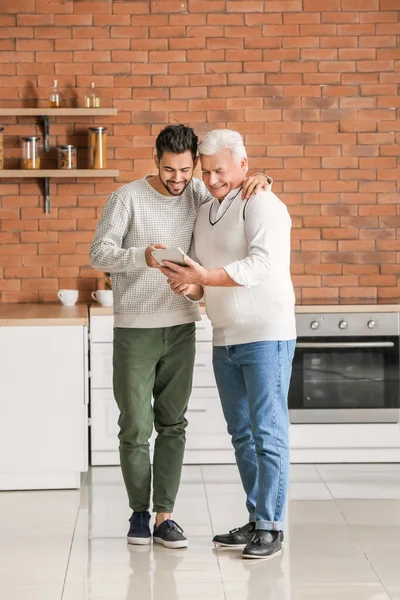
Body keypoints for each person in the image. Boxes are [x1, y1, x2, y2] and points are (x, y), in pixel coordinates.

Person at [88, 124, 271, 550]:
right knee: (135, 426)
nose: (178, 179)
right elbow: (99, 251)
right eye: (170, 170)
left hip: (182, 325)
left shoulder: (197, 194)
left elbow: (231, 195)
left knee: (173, 424)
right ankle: (138, 513)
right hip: (136, 328)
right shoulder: (127, 197)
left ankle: (165, 516)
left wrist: (264, 179)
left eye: (186, 170)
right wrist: (142, 256)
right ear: (156, 160)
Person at [160, 129, 296, 560]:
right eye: (208, 171)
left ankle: (272, 527)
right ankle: (257, 519)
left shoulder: (263, 203)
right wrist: (190, 285)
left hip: (266, 335)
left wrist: (202, 277)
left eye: (221, 169)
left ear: (243, 164)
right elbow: (206, 280)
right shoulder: (206, 210)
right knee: (241, 434)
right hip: (225, 337)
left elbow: (259, 266)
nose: (214, 178)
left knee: (267, 432)